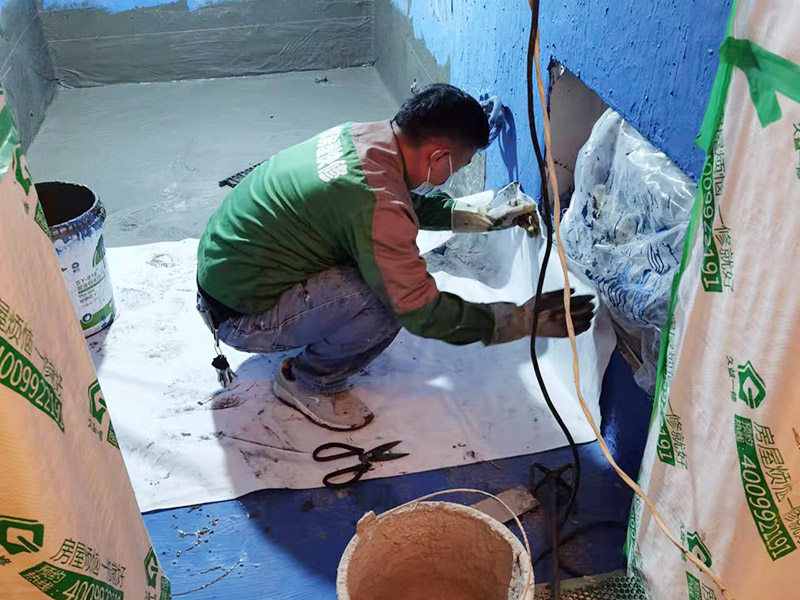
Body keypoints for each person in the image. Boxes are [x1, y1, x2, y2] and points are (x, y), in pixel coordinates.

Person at [196, 83, 594, 431]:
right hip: (241, 318)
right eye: (458, 166)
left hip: (227, 277)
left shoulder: (364, 138)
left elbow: (394, 199)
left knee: (383, 268)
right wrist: (516, 320)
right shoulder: (374, 199)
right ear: (438, 157)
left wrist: (480, 216)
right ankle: (307, 382)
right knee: (389, 300)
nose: (452, 175)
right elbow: (420, 310)